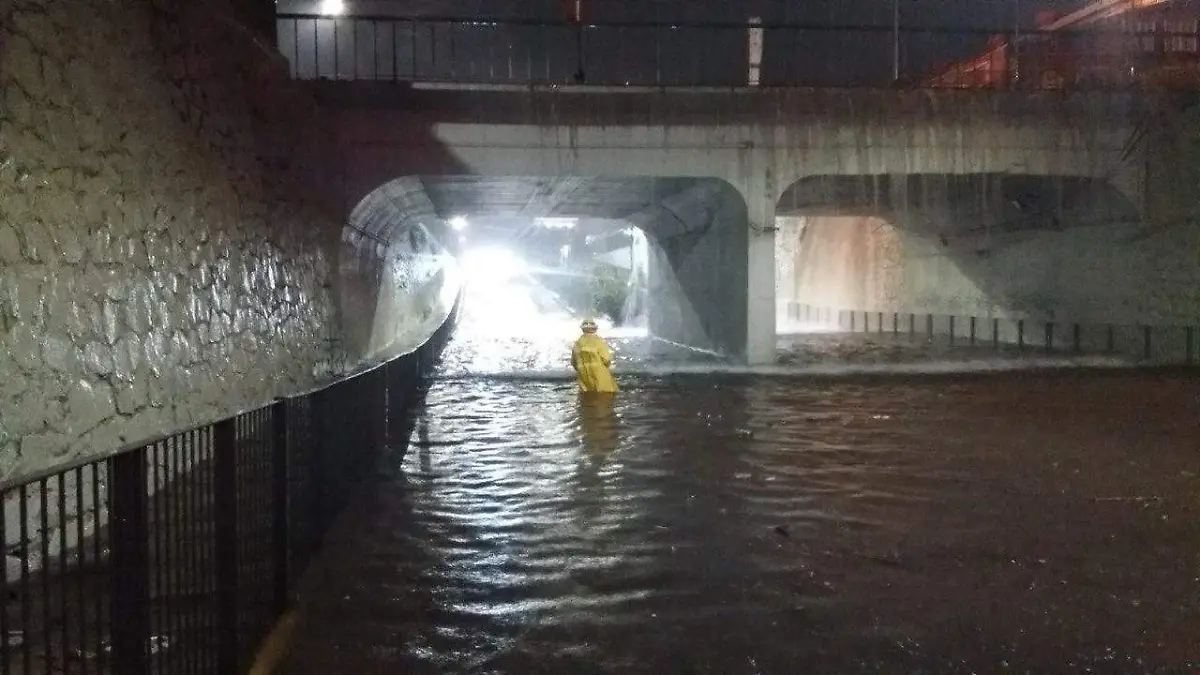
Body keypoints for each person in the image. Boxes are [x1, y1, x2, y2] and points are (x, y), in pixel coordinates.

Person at [571, 318, 618, 393]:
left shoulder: (577, 343)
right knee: (605, 394)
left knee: (587, 395)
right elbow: (606, 359)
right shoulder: (598, 341)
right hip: (599, 372)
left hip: (583, 374)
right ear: (595, 329)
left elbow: (573, 362)